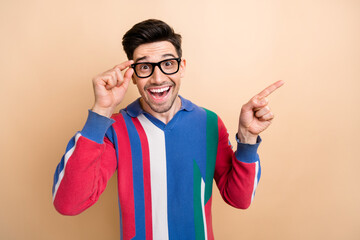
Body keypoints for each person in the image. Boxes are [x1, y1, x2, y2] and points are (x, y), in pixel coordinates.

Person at [52, 19, 284, 240]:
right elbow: (69, 204)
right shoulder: (115, 128)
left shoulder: (209, 122)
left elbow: (239, 199)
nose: (158, 77)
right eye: (145, 67)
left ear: (181, 66)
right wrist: (100, 112)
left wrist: (248, 139)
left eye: (168, 64)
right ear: (133, 76)